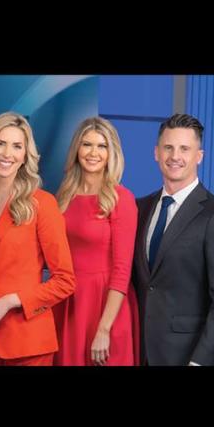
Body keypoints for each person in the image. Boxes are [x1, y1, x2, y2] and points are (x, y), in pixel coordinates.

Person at [0, 112, 75, 366]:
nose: (7, 153)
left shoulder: (42, 204)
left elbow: (65, 280)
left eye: (17, 146)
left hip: (27, 341)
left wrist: (10, 301)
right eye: (0, 143)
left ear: (25, 156)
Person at [132, 113, 214, 366]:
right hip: (138, 351)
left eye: (184, 148)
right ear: (156, 153)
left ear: (199, 156)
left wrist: (201, 361)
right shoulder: (139, 208)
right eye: (168, 147)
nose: (175, 156)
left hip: (187, 356)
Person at [53, 117, 140, 366]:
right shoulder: (63, 196)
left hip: (105, 306)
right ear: (76, 149)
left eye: (101, 146)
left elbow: (122, 270)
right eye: (86, 144)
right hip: (68, 302)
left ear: (111, 153)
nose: (93, 153)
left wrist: (103, 329)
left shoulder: (120, 198)